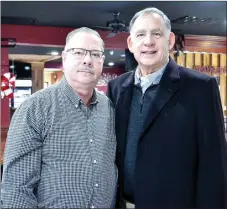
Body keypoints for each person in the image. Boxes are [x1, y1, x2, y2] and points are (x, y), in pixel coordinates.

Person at [107, 7, 227, 209]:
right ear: (131, 43)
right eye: (141, 34)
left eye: (156, 33)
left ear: (170, 40)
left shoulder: (200, 88)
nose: (148, 41)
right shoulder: (117, 87)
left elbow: (214, 166)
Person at [1, 27, 118, 208]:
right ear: (64, 58)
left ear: (102, 60)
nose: (88, 60)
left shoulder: (108, 108)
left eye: (95, 54)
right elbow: (16, 189)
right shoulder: (35, 108)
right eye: (79, 52)